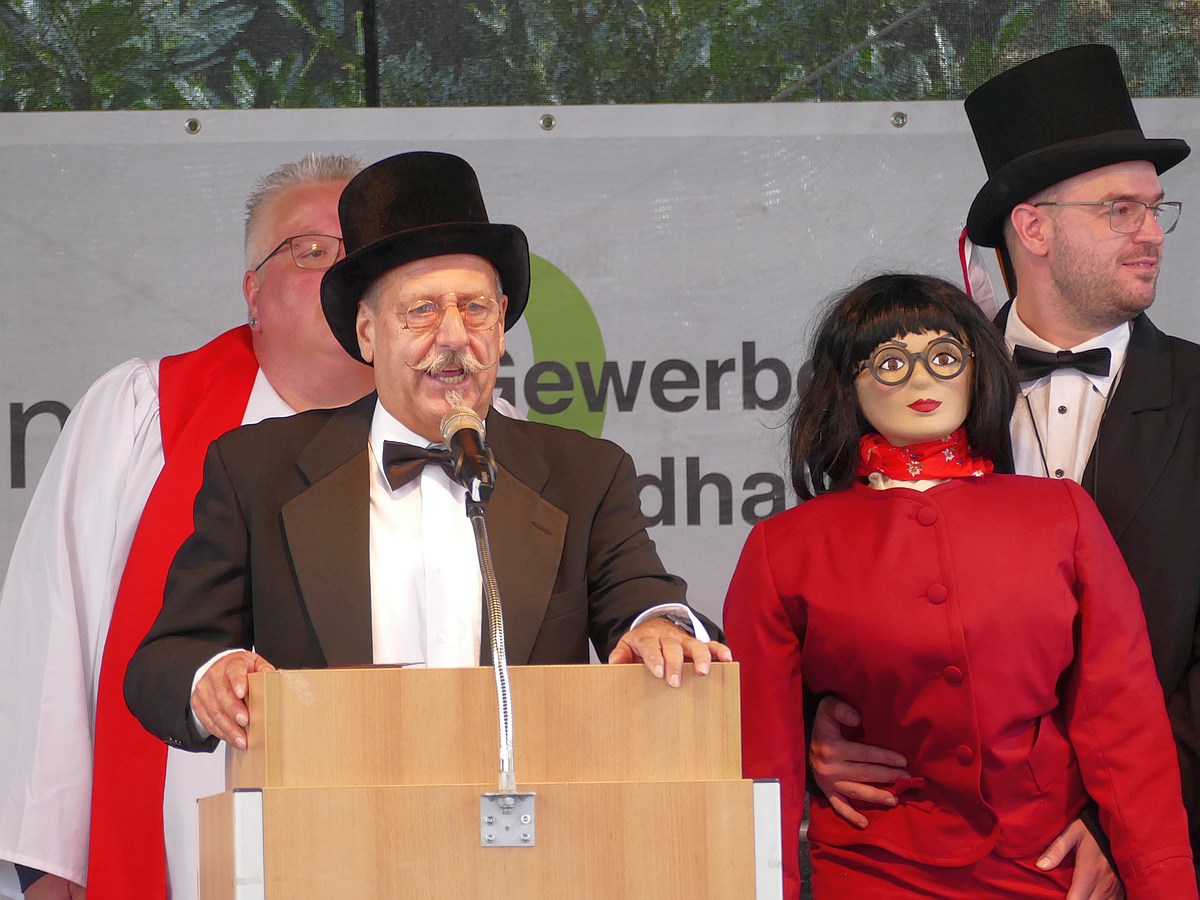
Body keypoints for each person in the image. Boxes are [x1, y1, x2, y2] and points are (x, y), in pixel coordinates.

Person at [123, 150, 729, 761]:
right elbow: (166, 660)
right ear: (367, 332)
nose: (454, 336)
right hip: (327, 809)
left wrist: (660, 628)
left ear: (501, 326)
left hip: (531, 813)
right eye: (422, 310)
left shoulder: (585, 474)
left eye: (475, 309)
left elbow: (646, 601)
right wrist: (211, 675)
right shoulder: (259, 471)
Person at [808, 43, 1200, 896]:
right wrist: (822, 729)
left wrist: (1124, 820)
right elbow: (840, 595)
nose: (1151, 234)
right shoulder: (915, 391)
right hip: (943, 857)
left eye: (1154, 209)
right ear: (1034, 228)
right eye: (1120, 210)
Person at [724, 272, 1195, 899]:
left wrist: (1164, 884)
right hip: (873, 866)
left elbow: (1124, 723)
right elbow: (761, 762)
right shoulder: (784, 548)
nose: (922, 380)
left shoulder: (1062, 516)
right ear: (847, 386)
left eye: (944, 357)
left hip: (1044, 865)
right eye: (891, 363)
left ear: (977, 371)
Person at [0, 154, 377, 900]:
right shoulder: (145, 413)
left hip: (404, 837)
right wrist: (47, 863)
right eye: (311, 252)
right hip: (184, 857)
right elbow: (52, 632)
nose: (341, 272)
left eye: (362, 254)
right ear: (253, 292)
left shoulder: (475, 439)